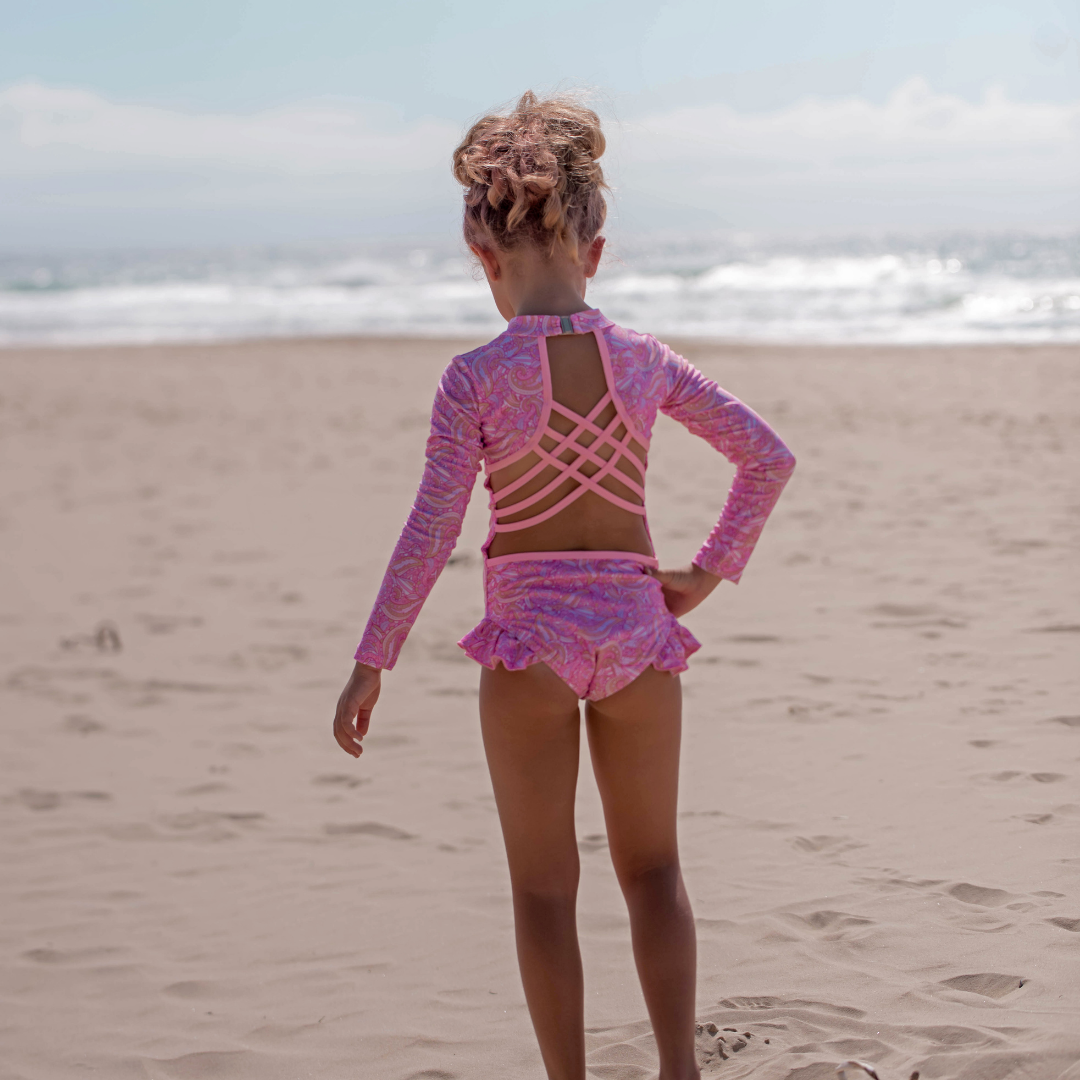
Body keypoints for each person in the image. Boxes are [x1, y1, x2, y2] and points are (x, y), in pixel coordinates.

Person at [333, 90, 795, 1080]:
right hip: (639, 638)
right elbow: (767, 457)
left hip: (527, 647)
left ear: (483, 256)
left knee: (544, 892)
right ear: (597, 249)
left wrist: (374, 660)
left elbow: (432, 529)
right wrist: (706, 574)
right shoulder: (645, 362)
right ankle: (679, 1071)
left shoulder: (474, 378)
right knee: (655, 872)